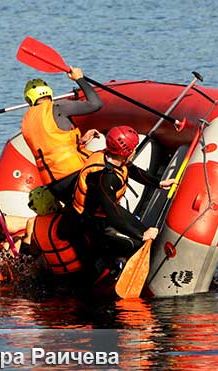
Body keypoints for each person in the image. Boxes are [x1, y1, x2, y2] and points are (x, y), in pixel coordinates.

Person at [57, 125, 177, 276]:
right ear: (126, 152)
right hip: (91, 221)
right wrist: (141, 236)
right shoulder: (106, 177)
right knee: (138, 243)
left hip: (105, 213)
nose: (134, 151)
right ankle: (112, 264)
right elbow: (112, 215)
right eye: (133, 148)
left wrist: (158, 183)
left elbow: (131, 170)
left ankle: (117, 256)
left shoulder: (112, 157)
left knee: (143, 232)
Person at [21, 67, 103, 203]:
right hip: (74, 175)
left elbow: (51, 145)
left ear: (30, 100)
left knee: (85, 217)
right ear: (49, 93)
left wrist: (81, 141)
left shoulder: (26, 122)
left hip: (54, 185)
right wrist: (79, 79)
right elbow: (96, 104)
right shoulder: (57, 107)